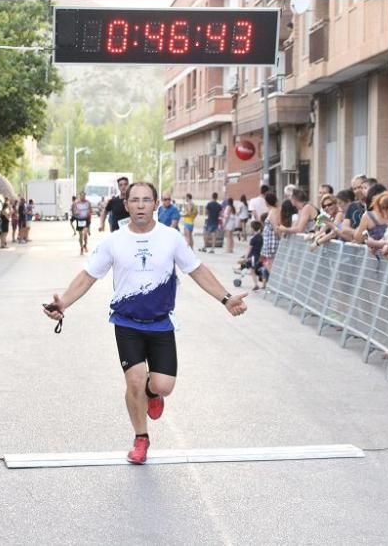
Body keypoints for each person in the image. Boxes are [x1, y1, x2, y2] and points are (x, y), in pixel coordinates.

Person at [42, 182, 247, 464]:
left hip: (161, 323)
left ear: (155, 204)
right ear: (126, 205)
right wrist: (63, 302)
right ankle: (141, 438)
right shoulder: (114, 241)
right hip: (127, 322)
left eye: (146, 200)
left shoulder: (171, 238)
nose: (140, 205)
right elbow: (88, 275)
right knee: (135, 381)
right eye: (134, 200)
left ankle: (153, 394)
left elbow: (197, 270)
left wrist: (226, 299)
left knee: (163, 385)